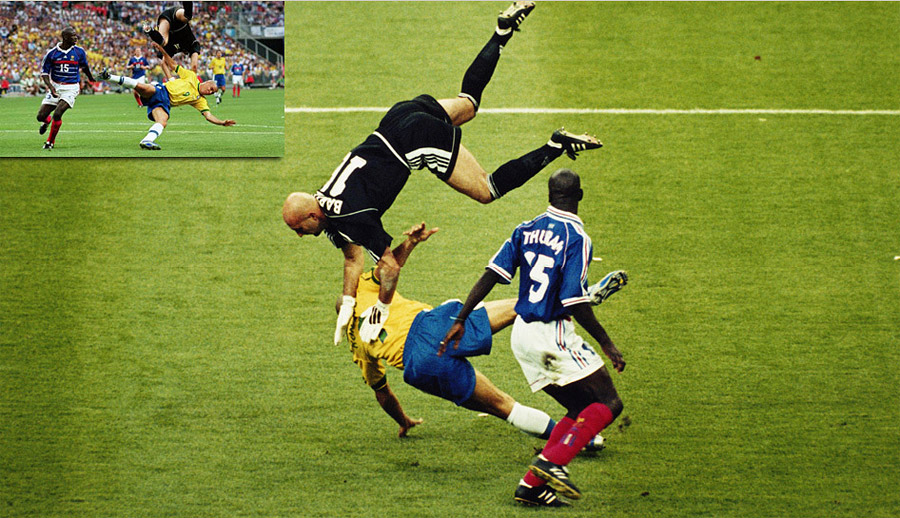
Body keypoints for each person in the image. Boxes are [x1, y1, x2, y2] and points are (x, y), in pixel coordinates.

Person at [282, 1, 602, 350]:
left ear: (312, 215)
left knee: (487, 189)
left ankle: (554, 146)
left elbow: (389, 268)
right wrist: (346, 304)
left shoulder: (350, 218)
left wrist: (380, 310)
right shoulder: (327, 202)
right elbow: (351, 256)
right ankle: (502, 31)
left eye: (298, 227)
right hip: (398, 118)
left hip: (414, 142)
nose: (299, 235)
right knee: (468, 103)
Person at [440, 169, 629, 507]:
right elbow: (573, 300)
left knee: (579, 407)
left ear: (549, 195)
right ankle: (551, 463)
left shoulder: (525, 229)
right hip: (551, 334)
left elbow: (491, 274)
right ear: (579, 196)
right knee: (608, 403)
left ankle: (531, 486)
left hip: (522, 334)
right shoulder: (577, 237)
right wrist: (606, 343)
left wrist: (461, 317)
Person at [342, 221, 611, 456]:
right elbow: (389, 267)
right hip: (434, 325)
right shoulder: (362, 287)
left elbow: (383, 393)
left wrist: (404, 421)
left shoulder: (356, 344)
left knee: (505, 406)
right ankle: (577, 299)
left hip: (421, 364)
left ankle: (583, 440)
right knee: (519, 306)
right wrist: (411, 242)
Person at [100, 42, 235, 150]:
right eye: (211, 88)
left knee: (163, 121)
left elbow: (208, 116)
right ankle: (109, 76)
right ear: (205, 82)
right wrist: (163, 50)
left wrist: (222, 122)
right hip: (161, 91)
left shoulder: (200, 100)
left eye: (212, 92)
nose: (210, 91)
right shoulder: (191, 76)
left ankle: (147, 141)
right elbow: (172, 64)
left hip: (164, 104)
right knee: (143, 87)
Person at [36, 27, 96, 150]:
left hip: (71, 87)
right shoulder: (52, 53)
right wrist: (51, 87)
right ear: (65, 37)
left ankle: (50, 142)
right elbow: (44, 73)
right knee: (40, 116)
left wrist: (91, 78)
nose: (76, 38)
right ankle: (46, 121)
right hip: (56, 86)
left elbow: (84, 67)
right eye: (73, 36)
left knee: (58, 113)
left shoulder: (79, 52)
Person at [144, 1, 200, 72]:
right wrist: (192, 74)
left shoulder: (172, 49)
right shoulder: (192, 43)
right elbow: (194, 66)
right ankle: (150, 31)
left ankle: (150, 31)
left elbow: (163, 63)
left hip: (167, 20)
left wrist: (171, 77)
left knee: (164, 42)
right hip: (176, 17)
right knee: (187, 17)